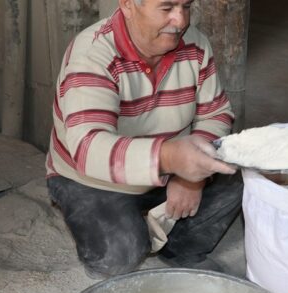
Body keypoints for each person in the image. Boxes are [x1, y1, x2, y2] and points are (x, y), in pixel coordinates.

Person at [46, 0, 242, 278]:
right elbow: (89, 148)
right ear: (127, 4)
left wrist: (192, 178)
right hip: (93, 179)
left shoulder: (195, 44)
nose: (180, 20)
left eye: (186, 6)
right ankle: (135, 227)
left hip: (171, 165)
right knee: (118, 254)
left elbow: (217, 113)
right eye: (167, 8)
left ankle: (178, 246)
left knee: (241, 171)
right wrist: (170, 158)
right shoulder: (92, 54)